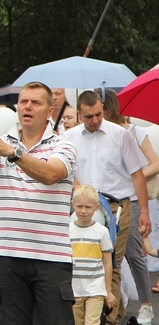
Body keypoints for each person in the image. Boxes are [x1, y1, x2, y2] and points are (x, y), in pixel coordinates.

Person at [0, 72, 77, 324]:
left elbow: (49, 174)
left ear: (49, 110)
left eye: (36, 102)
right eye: (23, 101)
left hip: (50, 257)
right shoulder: (4, 141)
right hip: (7, 254)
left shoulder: (63, 145)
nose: (28, 107)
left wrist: (13, 153)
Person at [64, 90, 152, 325]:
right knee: (84, 262)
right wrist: (79, 191)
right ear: (79, 113)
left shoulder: (120, 135)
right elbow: (66, 171)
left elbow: (137, 174)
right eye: (89, 116)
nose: (95, 120)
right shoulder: (69, 136)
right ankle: (108, 312)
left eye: (98, 114)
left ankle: (108, 319)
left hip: (118, 206)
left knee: (111, 261)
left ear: (103, 107)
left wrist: (144, 212)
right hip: (85, 205)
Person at [101, 88, 158, 324]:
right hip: (105, 201)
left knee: (134, 254)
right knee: (107, 255)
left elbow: (155, 163)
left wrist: (134, 177)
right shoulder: (98, 135)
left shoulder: (135, 131)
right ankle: (114, 306)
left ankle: (145, 304)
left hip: (131, 200)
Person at [70, 184, 116, 325]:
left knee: (93, 322)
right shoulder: (67, 230)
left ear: (96, 207)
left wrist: (107, 290)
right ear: (73, 205)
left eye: (88, 207)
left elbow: (107, 263)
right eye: (79, 206)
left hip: (95, 288)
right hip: (74, 289)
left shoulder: (101, 231)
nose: (83, 211)